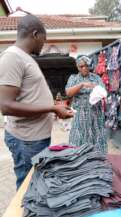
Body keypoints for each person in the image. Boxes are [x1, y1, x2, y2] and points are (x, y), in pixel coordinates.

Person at [0, 14, 73, 189]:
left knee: (36, 186)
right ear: (35, 34)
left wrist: (53, 108)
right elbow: (5, 105)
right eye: (43, 39)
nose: (43, 44)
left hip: (34, 139)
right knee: (29, 188)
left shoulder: (24, 57)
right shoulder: (12, 58)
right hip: (26, 141)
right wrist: (52, 108)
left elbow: (29, 96)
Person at [65, 55, 108, 153]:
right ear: (77, 67)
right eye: (81, 66)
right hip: (80, 114)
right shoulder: (73, 78)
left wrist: (97, 90)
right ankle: (79, 161)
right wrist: (82, 85)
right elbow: (68, 93)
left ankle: (97, 161)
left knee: (96, 137)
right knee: (79, 138)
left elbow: (103, 92)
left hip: (95, 114)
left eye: (86, 66)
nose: (84, 68)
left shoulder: (96, 78)